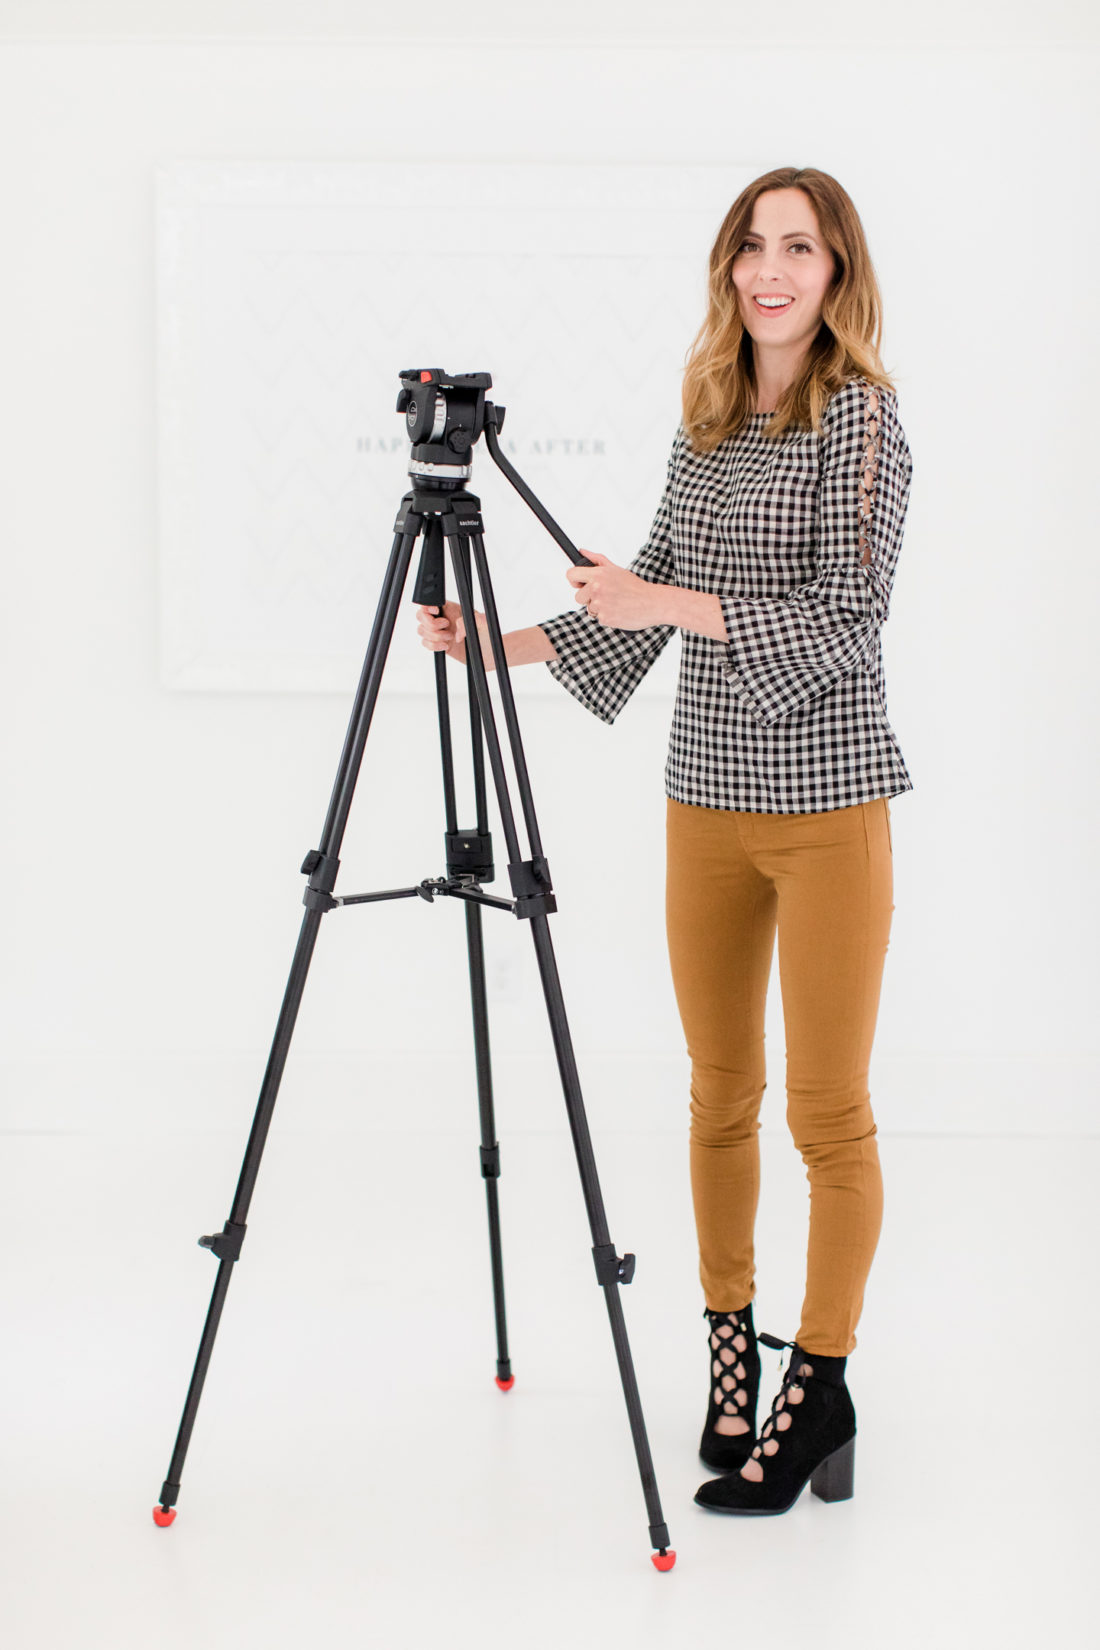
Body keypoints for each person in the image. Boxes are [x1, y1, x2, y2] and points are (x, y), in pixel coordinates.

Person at [416, 166, 913, 1519]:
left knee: (828, 1114)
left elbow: (845, 616)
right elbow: (634, 599)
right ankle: (730, 1358)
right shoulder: (704, 429)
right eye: (752, 247)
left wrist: (665, 596)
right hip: (703, 801)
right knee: (718, 1094)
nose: (771, 270)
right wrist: (498, 651)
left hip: (826, 808)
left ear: (837, 273)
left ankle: (821, 1382)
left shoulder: (862, 423)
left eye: (799, 248)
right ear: (728, 270)